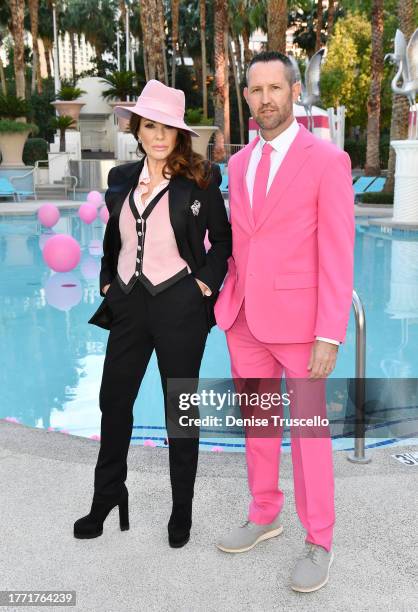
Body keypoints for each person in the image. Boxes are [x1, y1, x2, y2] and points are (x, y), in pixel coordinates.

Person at [214, 51, 354, 592]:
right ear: (246, 96)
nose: (266, 98)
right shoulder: (241, 163)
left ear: (294, 91)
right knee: (260, 426)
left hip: (302, 328)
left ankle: (319, 539)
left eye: (276, 87)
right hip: (245, 318)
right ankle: (265, 511)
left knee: (310, 437)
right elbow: (243, 241)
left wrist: (329, 332)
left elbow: (338, 252)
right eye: (256, 89)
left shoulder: (326, 160)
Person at [73, 79, 232, 548]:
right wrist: (107, 279)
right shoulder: (120, 180)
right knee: (113, 402)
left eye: (167, 127)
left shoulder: (201, 180)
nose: (158, 135)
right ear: (137, 130)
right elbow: (113, 241)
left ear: (178, 134)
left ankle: (180, 507)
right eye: (150, 126)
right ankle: (107, 495)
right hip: (128, 303)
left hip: (180, 307)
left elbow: (222, 242)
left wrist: (203, 284)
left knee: (179, 410)